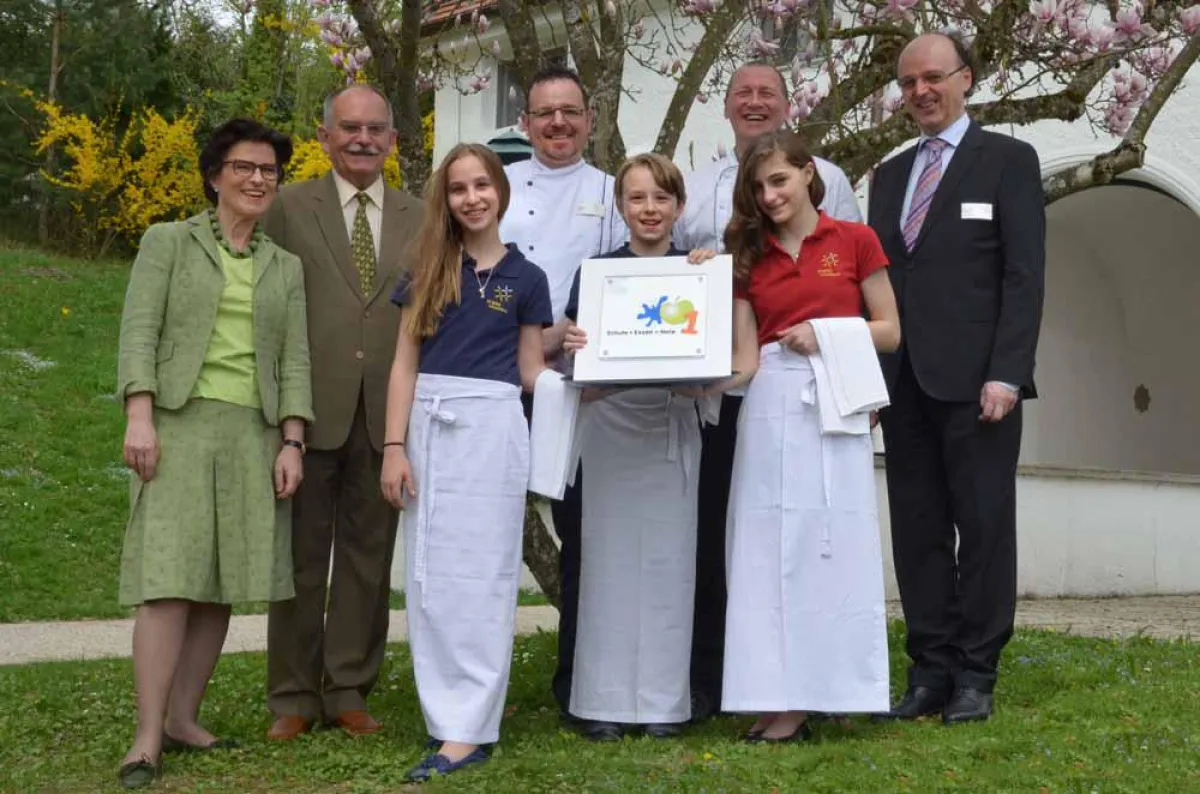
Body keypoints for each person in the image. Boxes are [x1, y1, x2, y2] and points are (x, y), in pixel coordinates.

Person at [115, 118, 312, 788]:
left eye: (269, 171)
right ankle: (146, 739)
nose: (258, 180)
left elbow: (295, 361)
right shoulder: (167, 242)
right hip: (177, 424)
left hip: (251, 434)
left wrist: (292, 440)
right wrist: (139, 415)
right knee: (169, 581)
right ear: (214, 174)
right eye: (244, 167)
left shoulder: (284, 266)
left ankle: (184, 719)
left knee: (222, 583)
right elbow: (139, 328)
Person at [674, 61, 864, 719]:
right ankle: (719, 681)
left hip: (821, 389)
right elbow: (679, 287)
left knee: (818, 537)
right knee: (729, 541)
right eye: (741, 94)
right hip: (726, 398)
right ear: (723, 107)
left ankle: (822, 678)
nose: (754, 102)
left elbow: (848, 284)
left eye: (767, 94)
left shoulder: (835, 187)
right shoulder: (696, 189)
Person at [867, 32, 1045, 724]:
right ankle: (930, 669)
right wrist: (872, 382)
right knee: (917, 531)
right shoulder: (889, 173)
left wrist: (1008, 372)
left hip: (979, 388)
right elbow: (875, 282)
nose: (921, 92)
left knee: (984, 525)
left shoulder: (1008, 161)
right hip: (904, 383)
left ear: (965, 79)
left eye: (934, 78)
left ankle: (977, 672)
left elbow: (1023, 276)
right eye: (909, 83)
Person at [559, 153, 758, 742]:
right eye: (637, 198)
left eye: (661, 198)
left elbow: (722, 353)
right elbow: (576, 356)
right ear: (621, 206)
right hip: (611, 428)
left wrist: (707, 280)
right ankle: (602, 702)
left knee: (671, 566)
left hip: (673, 424)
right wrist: (572, 344)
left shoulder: (698, 272)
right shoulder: (594, 272)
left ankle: (663, 704)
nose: (649, 209)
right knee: (607, 565)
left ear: (678, 206)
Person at [380, 143, 554, 782]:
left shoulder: (527, 279)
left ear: (500, 192)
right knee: (431, 578)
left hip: (493, 432)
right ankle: (445, 714)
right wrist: (394, 447)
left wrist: (601, 357)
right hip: (429, 428)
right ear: (445, 200)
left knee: (484, 577)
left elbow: (532, 371)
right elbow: (404, 365)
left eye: (482, 184)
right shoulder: (426, 267)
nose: (472, 197)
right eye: (459, 188)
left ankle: (471, 726)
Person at [721, 129, 900, 742]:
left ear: (807, 173)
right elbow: (745, 358)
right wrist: (696, 384)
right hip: (771, 402)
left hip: (836, 398)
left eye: (779, 180)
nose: (770, 195)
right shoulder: (749, 255)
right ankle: (775, 694)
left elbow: (889, 330)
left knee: (832, 543)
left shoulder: (854, 239)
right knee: (767, 549)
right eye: (759, 186)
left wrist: (824, 331)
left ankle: (832, 686)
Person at [263, 84, 424, 741]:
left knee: (367, 556)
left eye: (376, 128)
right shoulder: (287, 207)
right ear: (324, 135)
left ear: (392, 138)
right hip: (307, 409)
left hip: (385, 415)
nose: (363, 138)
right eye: (349, 127)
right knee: (299, 559)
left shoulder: (422, 214)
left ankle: (350, 687)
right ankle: (294, 696)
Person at [499, 64, 627, 715]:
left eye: (569, 112)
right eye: (544, 112)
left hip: (577, 392)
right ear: (524, 123)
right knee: (491, 530)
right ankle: (481, 677)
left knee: (584, 536)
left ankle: (577, 677)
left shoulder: (612, 193)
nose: (557, 124)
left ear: (589, 120)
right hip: (499, 385)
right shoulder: (495, 188)